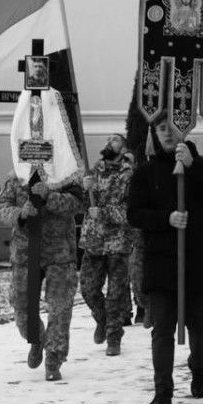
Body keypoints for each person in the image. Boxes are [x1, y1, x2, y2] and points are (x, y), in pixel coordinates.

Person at [127, 115, 203, 404]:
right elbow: (134, 213)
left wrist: (192, 166)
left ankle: (197, 367)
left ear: (184, 127)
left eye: (172, 126)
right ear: (154, 133)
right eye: (160, 128)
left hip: (194, 258)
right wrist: (166, 219)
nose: (167, 133)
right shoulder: (145, 172)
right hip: (161, 261)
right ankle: (163, 392)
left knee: (200, 324)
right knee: (162, 329)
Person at [0, 170, 85, 381]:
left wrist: (48, 196)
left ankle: (54, 360)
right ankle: (37, 338)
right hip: (26, 252)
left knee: (60, 308)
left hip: (59, 252)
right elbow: (1, 206)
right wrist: (20, 213)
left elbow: (78, 204)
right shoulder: (18, 175)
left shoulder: (66, 175)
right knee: (22, 305)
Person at [79, 133, 135, 356]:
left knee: (116, 294)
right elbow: (82, 205)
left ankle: (114, 337)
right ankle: (102, 320)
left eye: (114, 140)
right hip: (94, 240)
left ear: (123, 149)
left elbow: (130, 211)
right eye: (107, 139)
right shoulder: (95, 169)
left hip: (117, 243)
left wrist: (103, 212)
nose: (107, 142)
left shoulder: (128, 175)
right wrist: (85, 189)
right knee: (88, 289)